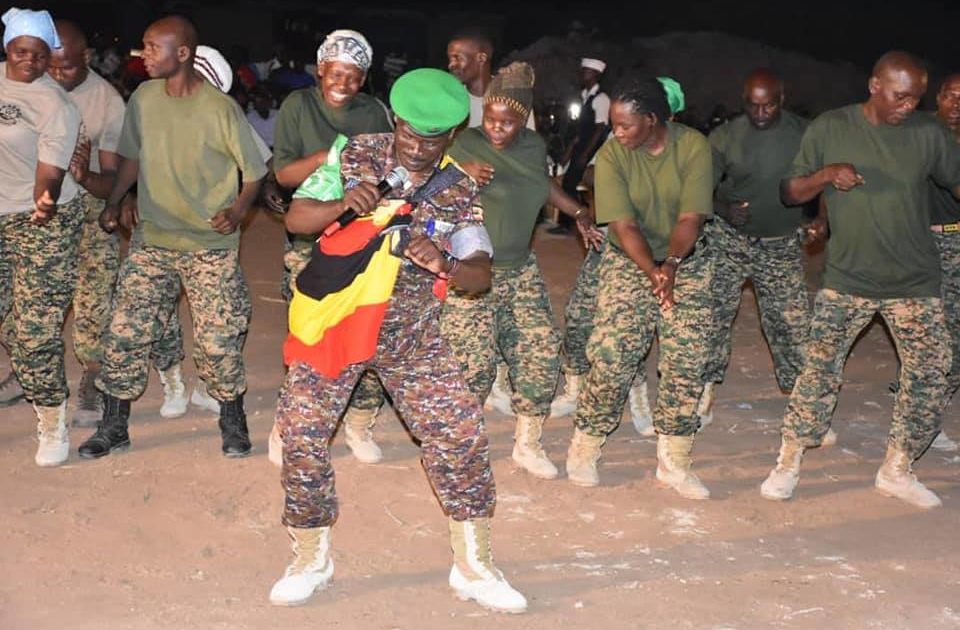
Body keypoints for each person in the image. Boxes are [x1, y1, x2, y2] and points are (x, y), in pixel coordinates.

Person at [269, 68, 526, 613]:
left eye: (430, 140)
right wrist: (343, 204)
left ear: (451, 136)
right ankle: (310, 556)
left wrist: (446, 263)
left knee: (459, 431)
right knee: (301, 430)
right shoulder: (354, 155)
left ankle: (473, 565)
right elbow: (297, 218)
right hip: (341, 325)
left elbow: (481, 270)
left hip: (410, 336)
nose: (415, 147)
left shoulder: (457, 190)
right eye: (408, 132)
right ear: (396, 120)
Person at [760, 52, 960, 509]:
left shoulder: (928, 134)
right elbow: (790, 191)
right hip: (849, 278)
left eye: (916, 98)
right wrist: (826, 174)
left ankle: (897, 468)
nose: (908, 106)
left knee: (931, 373)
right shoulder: (832, 127)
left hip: (914, 280)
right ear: (874, 85)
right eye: (900, 96)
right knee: (818, 373)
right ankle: (789, 461)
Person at [76, 15, 266, 460]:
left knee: (217, 339)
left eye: (152, 47)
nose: (143, 55)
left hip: (208, 243)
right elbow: (131, 159)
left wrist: (238, 210)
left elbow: (255, 171)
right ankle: (114, 426)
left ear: (183, 53)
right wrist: (114, 201)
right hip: (154, 238)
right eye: (143, 46)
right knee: (125, 332)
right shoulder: (144, 98)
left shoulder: (219, 108)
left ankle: (232, 418)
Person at [443, 61, 603, 479]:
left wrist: (578, 212)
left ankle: (528, 442)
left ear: (524, 119)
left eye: (508, 122)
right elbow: (430, 186)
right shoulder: (465, 145)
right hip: (473, 273)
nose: (496, 128)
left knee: (540, 350)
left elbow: (540, 184)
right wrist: (459, 173)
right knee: (471, 364)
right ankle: (462, 443)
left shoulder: (532, 146)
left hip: (520, 269)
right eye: (491, 119)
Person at [564, 77, 714, 500]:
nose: (617, 132)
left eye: (625, 124)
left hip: (685, 258)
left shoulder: (693, 147)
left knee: (687, 357)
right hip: (631, 259)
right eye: (614, 123)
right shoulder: (613, 155)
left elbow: (690, 218)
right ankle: (586, 442)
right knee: (613, 352)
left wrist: (672, 265)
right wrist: (653, 271)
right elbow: (624, 225)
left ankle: (674, 459)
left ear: (651, 119)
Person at [270, 29, 394, 466]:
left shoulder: (373, 112)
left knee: (367, 331)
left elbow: (389, 171)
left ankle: (359, 421)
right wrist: (329, 157)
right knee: (309, 335)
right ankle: (290, 424)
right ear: (320, 69)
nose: (343, 84)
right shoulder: (298, 105)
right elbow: (284, 175)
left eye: (354, 76)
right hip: (310, 233)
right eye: (336, 73)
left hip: (362, 236)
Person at [551, 76, 688, 434]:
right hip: (613, 245)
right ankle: (575, 386)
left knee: (631, 329)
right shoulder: (623, 140)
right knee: (580, 315)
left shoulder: (683, 153)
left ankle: (638, 396)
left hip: (658, 254)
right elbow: (594, 174)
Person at [699, 69, 824, 438]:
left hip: (780, 242)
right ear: (744, 102)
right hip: (729, 240)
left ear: (781, 99)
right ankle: (704, 389)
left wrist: (821, 218)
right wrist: (723, 208)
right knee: (712, 317)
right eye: (752, 106)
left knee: (792, 325)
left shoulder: (804, 133)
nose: (760, 113)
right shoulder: (724, 137)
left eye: (768, 105)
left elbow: (824, 180)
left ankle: (802, 404)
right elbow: (698, 189)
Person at [0, 7, 83, 466]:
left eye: (39, 54)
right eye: (20, 51)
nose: (30, 62)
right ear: (7, 48)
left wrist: (44, 198)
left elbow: (49, 171)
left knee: (35, 329)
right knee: (13, 321)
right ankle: (26, 376)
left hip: (42, 221)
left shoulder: (56, 104)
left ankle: (52, 418)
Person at [42, 20, 127, 428]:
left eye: (68, 67)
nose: (57, 75)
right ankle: (30, 368)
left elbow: (113, 180)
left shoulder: (106, 102)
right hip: (37, 209)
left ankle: (92, 374)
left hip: (89, 207)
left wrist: (83, 174)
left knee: (93, 297)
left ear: (88, 57)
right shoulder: (30, 86)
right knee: (29, 298)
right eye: (50, 66)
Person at [923, 73, 960, 452]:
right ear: (939, 96)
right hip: (920, 242)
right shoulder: (918, 132)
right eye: (951, 95)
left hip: (957, 238)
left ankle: (929, 412)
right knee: (925, 331)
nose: (957, 104)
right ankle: (920, 414)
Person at [550, 57, 609, 235]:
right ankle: (572, 221)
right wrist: (572, 147)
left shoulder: (601, 99)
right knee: (568, 183)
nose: (583, 74)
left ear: (596, 75)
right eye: (582, 71)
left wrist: (586, 154)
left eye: (587, 71)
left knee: (570, 183)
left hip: (592, 149)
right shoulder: (585, 96)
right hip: (582, 147)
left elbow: (601, 129)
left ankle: (570, 223)